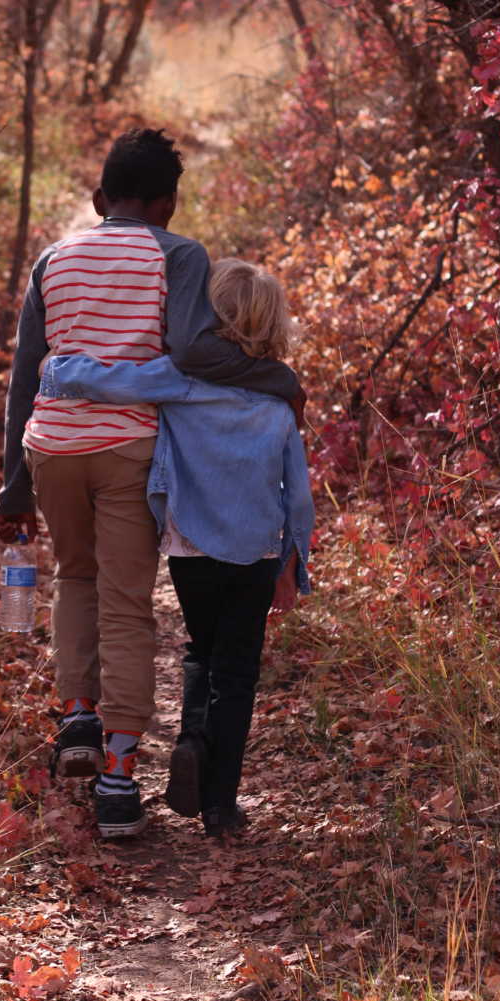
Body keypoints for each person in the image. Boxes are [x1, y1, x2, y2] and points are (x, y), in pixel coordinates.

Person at [0, 128, 304, 840]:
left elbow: (24, 376)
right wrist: (276, 378)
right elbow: (195, 353)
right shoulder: (179, 253)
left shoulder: (53, 259)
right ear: (168, 203)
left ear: (100, 198)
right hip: (129, 447)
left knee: (75, 579)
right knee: (128, 605)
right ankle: (115, 781)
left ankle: (77, 713)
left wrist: (14, 486)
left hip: (53, 444)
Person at [39, 257, 314, 839]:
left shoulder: (184, 379)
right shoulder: (278, 400)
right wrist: (295, 564)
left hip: (190, 548)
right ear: (274, 325)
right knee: (237, 674)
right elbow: (299, 495)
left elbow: (119, 381)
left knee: (200, 652)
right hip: (257, 553)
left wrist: (62, 369)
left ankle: (191, 738)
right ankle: (219, 803)